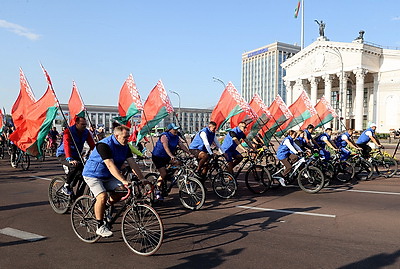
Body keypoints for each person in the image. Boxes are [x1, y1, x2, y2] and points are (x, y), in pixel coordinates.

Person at [82, 125, 144, 237]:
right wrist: (123, 180)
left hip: (108, 176)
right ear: (116, 136)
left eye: (128, 136)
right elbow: (110, 165)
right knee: (102, 196)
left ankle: (106, 205)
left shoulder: (125, 146)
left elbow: (132, 163)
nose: (128, 139)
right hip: (93, 174)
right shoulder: (104, 145)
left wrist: (142, 179)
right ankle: (100, 226)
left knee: (123, 191)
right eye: (125, 137)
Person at [151, 123, 192, 200]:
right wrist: (171, 156)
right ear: (170, 130)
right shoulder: (164, 136)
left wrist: (189, 153)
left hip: (167, 156)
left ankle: (169, 176)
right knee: (163, 173)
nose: (176, 131)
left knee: (179, 163)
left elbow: (181, 145)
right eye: (174, 129)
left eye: (177, 129)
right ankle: (157, 189)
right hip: (158, 156)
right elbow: (166, 147)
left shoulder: (176, 137)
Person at [56, 117, 95, 195]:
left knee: (85, 175)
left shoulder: (86, 132)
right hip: (64, 154)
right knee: (74, 166)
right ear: (76, 124)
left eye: (85, 124)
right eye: (82, 124)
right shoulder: (68, 131)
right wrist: (69, 159)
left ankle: (77, 198)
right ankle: (66, 186)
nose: (84, 126)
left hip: (77, 155)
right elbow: (66, 145)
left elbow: (92, 145)